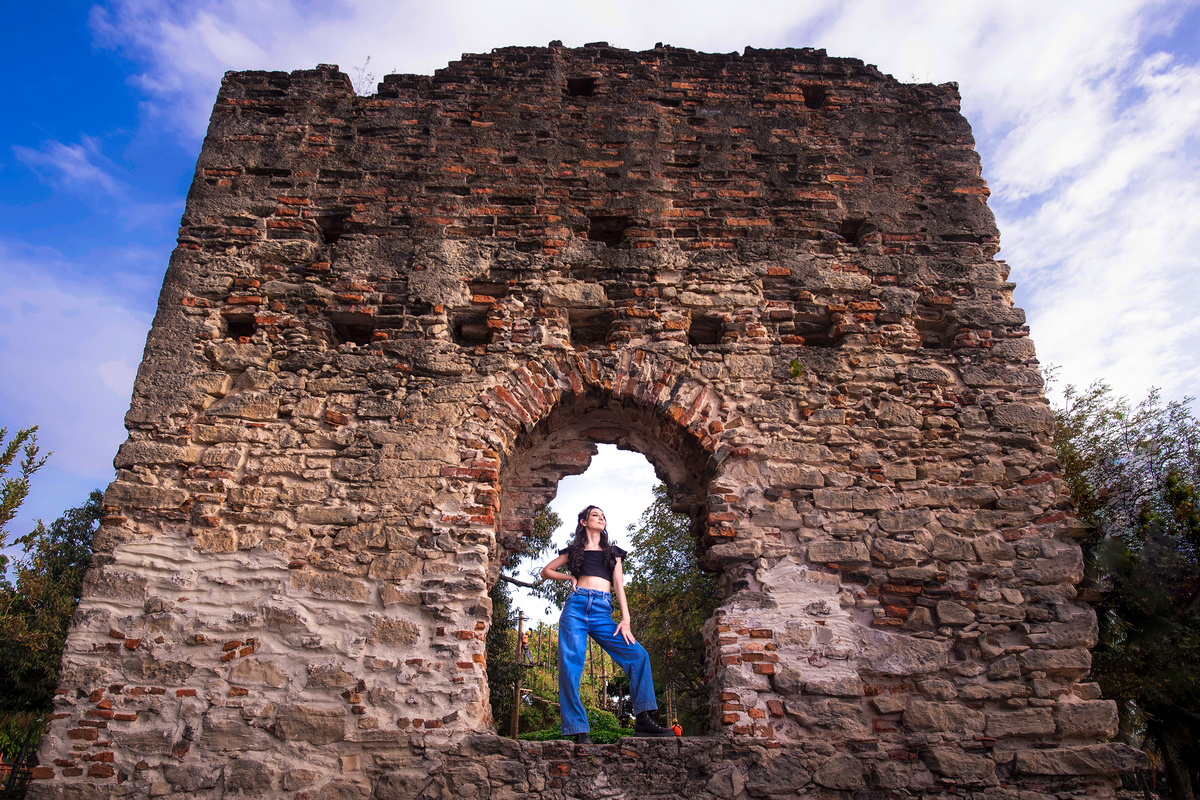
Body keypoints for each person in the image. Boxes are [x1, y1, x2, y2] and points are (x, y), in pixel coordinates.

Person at [541, 505, 674, 744]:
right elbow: (546, 571)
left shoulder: (613, 552)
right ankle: (577, 729)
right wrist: (570, 577)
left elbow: (619, 586)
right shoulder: (574, 551)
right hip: (576, 608)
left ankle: (643, 719)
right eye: (595, 514)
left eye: (603, 516)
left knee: (638, 655)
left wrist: (626, 620)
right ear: (583, 522)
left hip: (603, 611)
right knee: (570, 667)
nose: (601, 518)